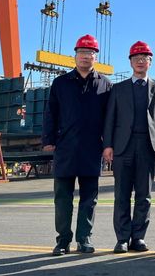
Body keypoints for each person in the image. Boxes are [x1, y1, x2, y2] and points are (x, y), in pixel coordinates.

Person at [42, 34, 112, 256]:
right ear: (75, 56)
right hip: (66, 147)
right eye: (82, 52)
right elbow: (51, 113)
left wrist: (108, 144)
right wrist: (49, 139)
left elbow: (110, 119)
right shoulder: (61, 83)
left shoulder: (105, 85)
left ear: (95, 57)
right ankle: (63, 241)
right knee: (63, 198)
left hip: (92, 148)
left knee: (89, 199)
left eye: (90, 53)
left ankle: (84, 239)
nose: (85, 56)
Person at [102, 41, 155, 253]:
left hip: (148, 146)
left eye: (144, 58)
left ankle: (138, 237)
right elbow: (110, 119)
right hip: (123, 147)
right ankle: (122, 238)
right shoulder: (118, 89)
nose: (140, 61)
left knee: (144, 195)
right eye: (136, 58)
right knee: (121, 195)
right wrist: (108, 145)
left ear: (150, 62)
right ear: (130, 62)